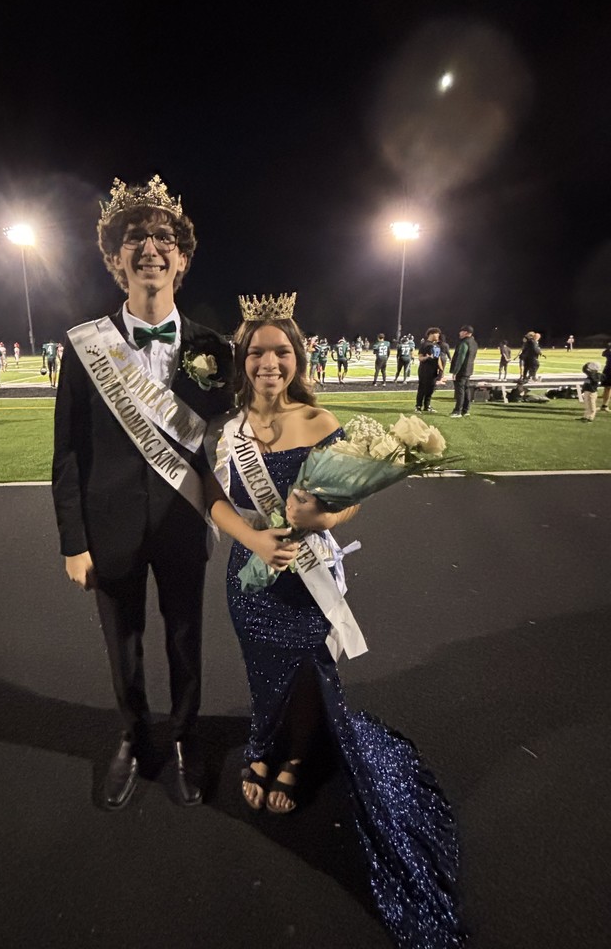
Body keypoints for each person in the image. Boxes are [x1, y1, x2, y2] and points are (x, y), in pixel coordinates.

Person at [205, 295, 465, 949]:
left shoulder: (320, 420)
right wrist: (257, 540)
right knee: (264, 668)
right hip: (251, 572)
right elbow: (213, 500)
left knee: (306, 669)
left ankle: (292, 758)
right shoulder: (227, 427)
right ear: (244, 359)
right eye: (258, 351)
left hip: (307, 575)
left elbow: (345, 506)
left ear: (297, 360)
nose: (269, 361)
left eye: (281, 352)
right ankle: (264, 745)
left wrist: (318, 519)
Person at [52, 174, 233, 811]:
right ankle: (133, 735)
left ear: (182, 260)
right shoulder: (83, 347)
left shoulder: (215, 348)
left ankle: (183, 738)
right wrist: (74, 542)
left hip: (185, 523)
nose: (150, 248)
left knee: (186, 640)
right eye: (136, 239)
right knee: (121, 645)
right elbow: (67, 454)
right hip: (109, 529)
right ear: (113, 258)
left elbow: (240, 440)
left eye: (163, 239)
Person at [450, 325, 478, 417]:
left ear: (465, 332)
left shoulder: (464, 343)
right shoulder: (474, 342)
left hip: (462, 370)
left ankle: (457, 410)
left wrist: (455, 371)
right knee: (466, 389)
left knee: (460, 391)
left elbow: (460, 358)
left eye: (461, 331)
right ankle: (466, 410)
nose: (459, 333)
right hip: (469, 369)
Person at [416, 327, 443, 413]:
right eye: (437, 333)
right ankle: (418, 406)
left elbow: (438, 358)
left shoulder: (437, 345)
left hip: (434, 370)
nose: (438, 335)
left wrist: (441, 369)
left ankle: (427, 406)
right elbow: (420, 358)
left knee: (431, 389)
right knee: (422, 388)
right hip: (425, 370)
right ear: (431, 334)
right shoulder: (424, 344)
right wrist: (427, 357)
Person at [600, 340, 611, 412]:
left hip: (608, 370)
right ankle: (604, 405)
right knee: (607, 388)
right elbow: (603, 353)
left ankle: (605, 405)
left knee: (607, 388)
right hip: (609, 371)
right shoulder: (608, 352)